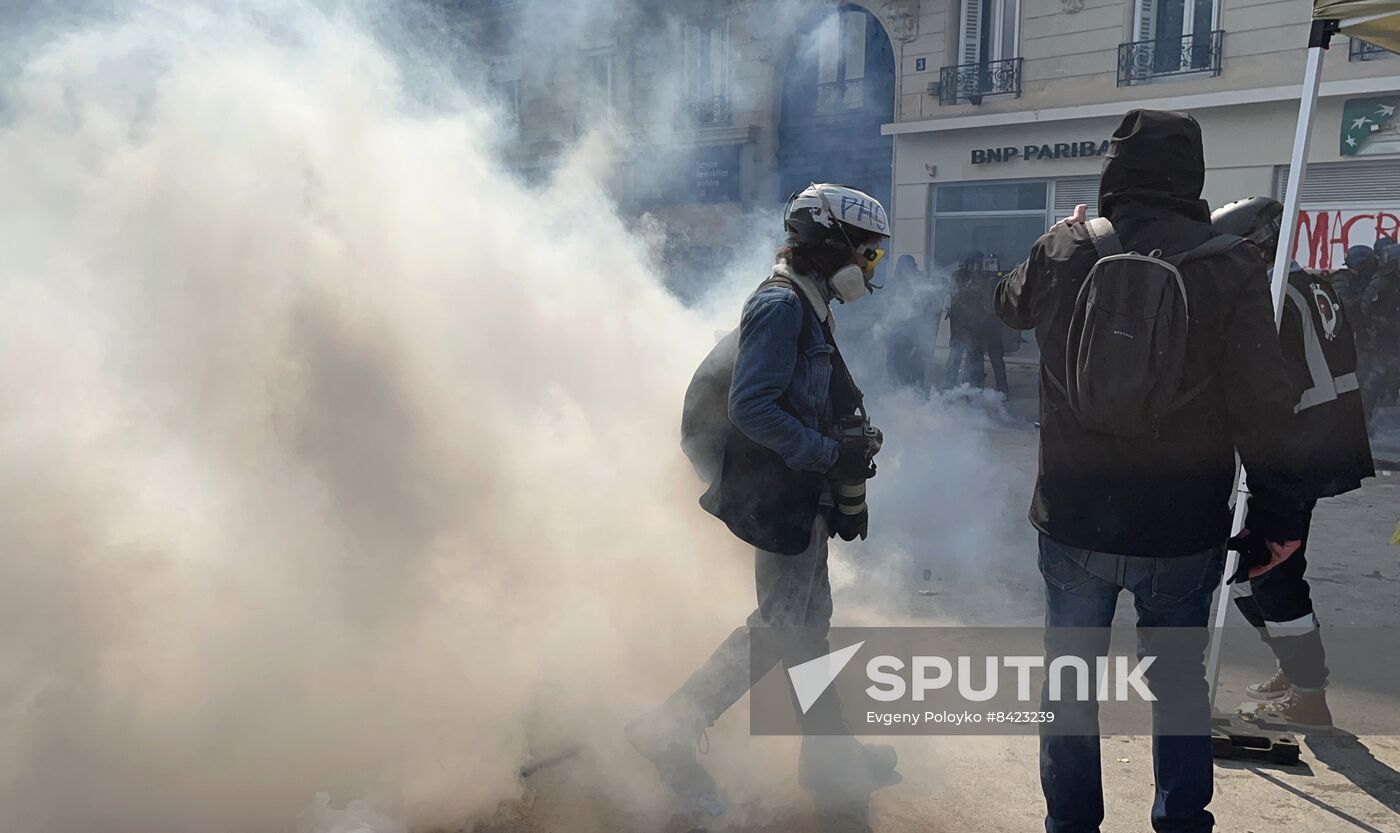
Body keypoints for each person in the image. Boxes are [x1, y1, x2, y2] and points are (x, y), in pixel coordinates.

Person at [995, 110, 1308, 833]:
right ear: (1191, 175)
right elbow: (1267, 405)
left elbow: (1005, 304)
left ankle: (1071, 824)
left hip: (1073, 518)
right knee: (1177, 684)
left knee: (1069, 686)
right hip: (1183, 527)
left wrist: (1059, 238)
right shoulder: (1229, 265)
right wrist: (1277, 520)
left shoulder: (1065, 247)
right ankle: (1180, 822)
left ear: (1113, 172)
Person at [631, 183, 896, 832]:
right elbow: (751, 407)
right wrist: (827, 453)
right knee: (785, 623)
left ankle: (831, 767)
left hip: (797, 486)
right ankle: (672, 727)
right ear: (830, 241)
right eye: (866, 253)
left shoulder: (810, 301)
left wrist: (839, 468)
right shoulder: (781, 305)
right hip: (779, 489)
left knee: (808, 625)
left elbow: (815, 401)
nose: (869, 268)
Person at [1213, 197, 1375, 730]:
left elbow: (1269, 389)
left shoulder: (1274, 292)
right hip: (1321, 442)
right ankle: (1294, 667)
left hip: (1290, 452)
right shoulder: (1315, 281)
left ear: (1254, 246)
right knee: (1245, 570)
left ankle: (1309, 695)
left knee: (1268, 570)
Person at [1360, 236, 1400, 425]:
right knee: (1375, 379)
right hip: (1382, 341)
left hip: (1394, 338)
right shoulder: (1381, 282)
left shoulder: (1394, 281)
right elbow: (1365, 311)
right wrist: (1382, 323)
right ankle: (1365, 419)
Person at [941, 254, 985, 390]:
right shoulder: (969, 277)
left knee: (960, 351)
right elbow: (960, 295)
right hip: (965, 321)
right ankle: (965, 383)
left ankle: (959, 382)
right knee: (965, 352)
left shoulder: (959, 276)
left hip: (964, 320)